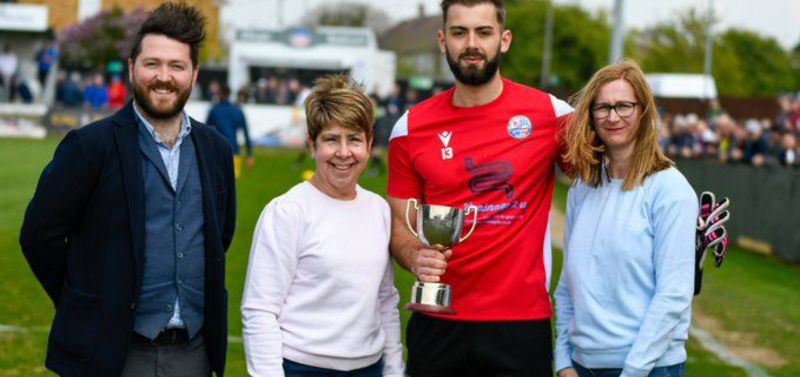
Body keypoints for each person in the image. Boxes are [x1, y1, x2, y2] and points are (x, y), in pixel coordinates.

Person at [19, 3, 235, 377]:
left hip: (193, 353)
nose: (163, 77)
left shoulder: (215, 149)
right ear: (133, 67)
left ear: (194, 74)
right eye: (152, 64)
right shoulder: (89, 146)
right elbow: (40, 235)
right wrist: (84, 302)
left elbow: (221, 235)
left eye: (176, 66)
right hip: (112, 354)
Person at [387, 0, 574, 375]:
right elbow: (399, 224)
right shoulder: (410, 128)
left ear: (504, 40)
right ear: (443, 40)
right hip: (437, 319)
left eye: (483, 32)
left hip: (520, 324)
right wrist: (413, 255)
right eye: (459, 32)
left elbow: (610, 173)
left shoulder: (551, 115)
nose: (471, 43)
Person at [241, 75, 404, 377]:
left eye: (354, 139)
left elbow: (385, 300)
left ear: (369, 144)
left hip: (369, 369)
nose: (344, 153)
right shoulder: (287, 212)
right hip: (302, 369)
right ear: (312, 145)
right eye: (331, 139)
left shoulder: (379, 210)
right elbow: (260, 310)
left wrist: (394, 370)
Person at [554, 60, 697, 377]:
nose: (612, 116)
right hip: (580, 365)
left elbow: (673, 295)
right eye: (602, 107)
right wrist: (563, 359)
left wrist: (633, 371)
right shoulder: (582, 187)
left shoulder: (669, 190)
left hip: (646, 368)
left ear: (643, 111)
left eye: (623, 106)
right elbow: (568, 285)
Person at [206, 83, 254, 179]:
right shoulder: (237, 111)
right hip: (234, 151)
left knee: (218, 185)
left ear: (220, 94)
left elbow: (206, 132)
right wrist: (249, 155)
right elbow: (246, 133)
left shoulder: (214, 111)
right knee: (232, 184)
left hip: (218, 152)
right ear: (229, 94)